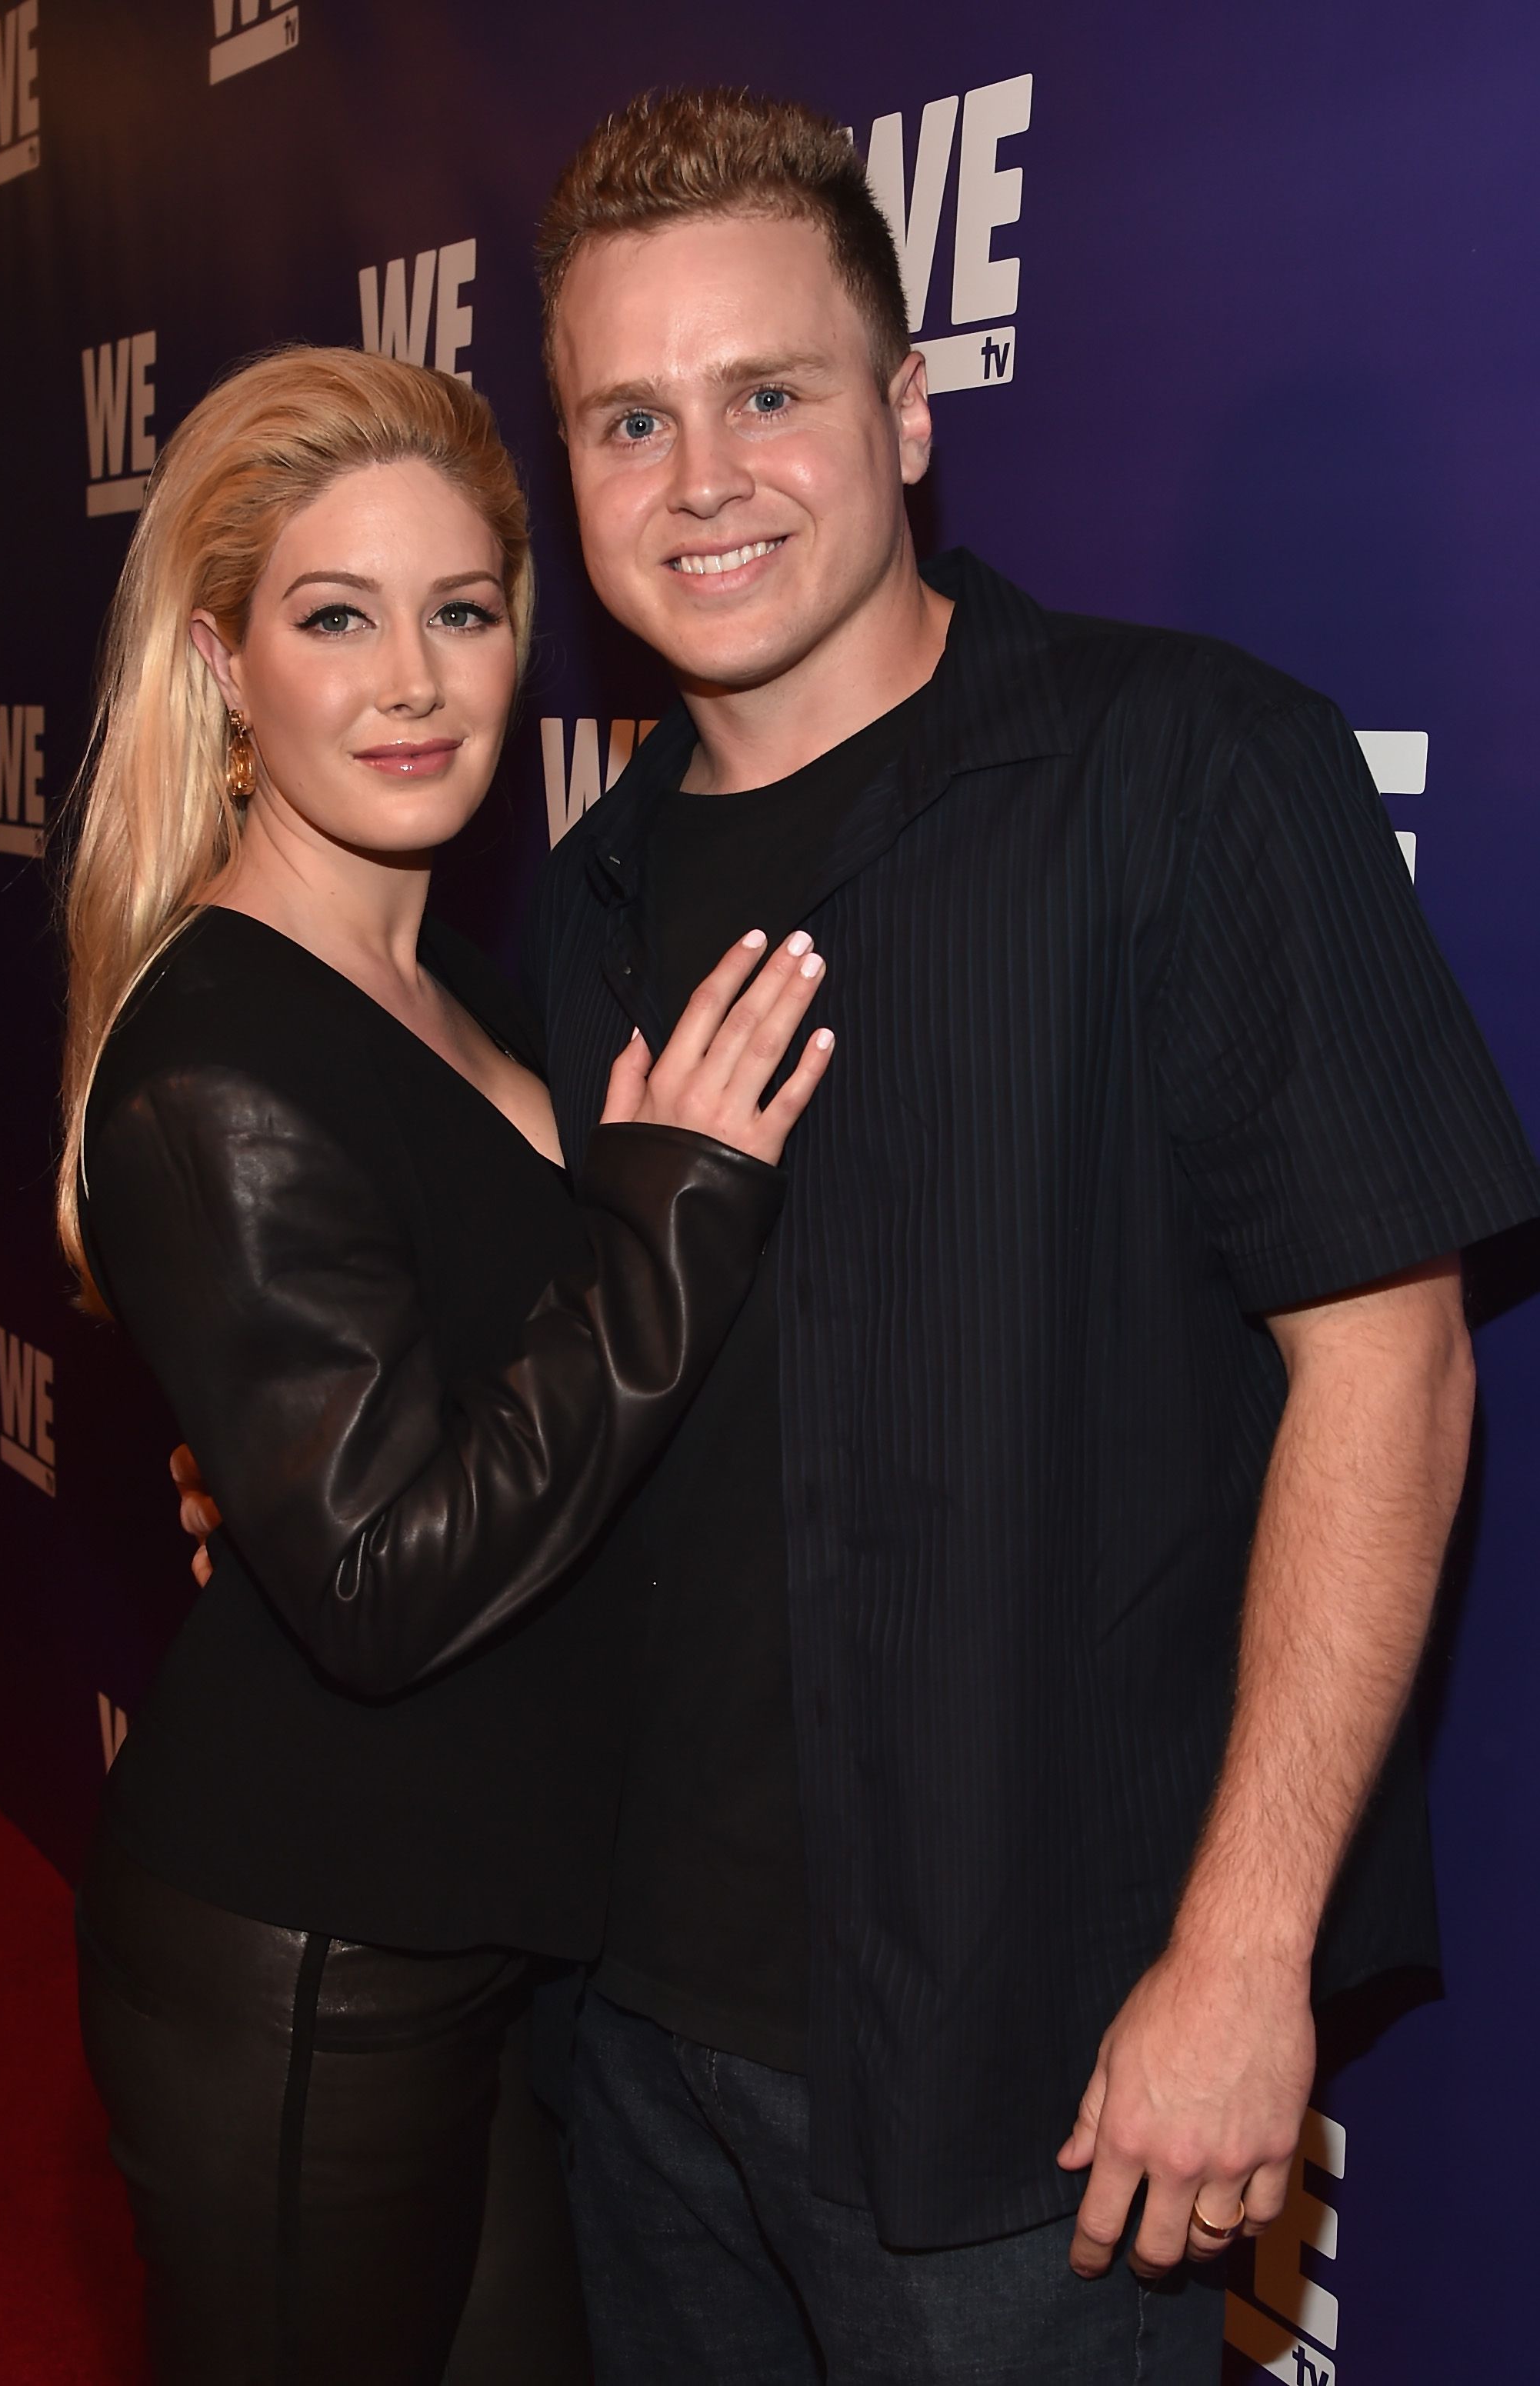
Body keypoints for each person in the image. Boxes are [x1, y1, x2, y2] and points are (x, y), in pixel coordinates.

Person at [511, 88, 1538, 2383]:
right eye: (629, 419)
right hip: (632, 2044)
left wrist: (1246, 1955)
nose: (703, 479)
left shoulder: (1186, 778)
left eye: (768, 394)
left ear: (903, 412)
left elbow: (1393, 1363)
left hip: (1037, 2091)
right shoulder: (578, 903)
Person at [58, 343, 834, 2386]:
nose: (413, 681)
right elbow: (393, 1573)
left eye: (464, 611)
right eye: (336, 616)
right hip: (312, 1954)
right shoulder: (214, 1054)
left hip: (481, 1934)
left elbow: (432, 1412)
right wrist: (678, 1221)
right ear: (228, 662)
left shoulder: (448, 976)